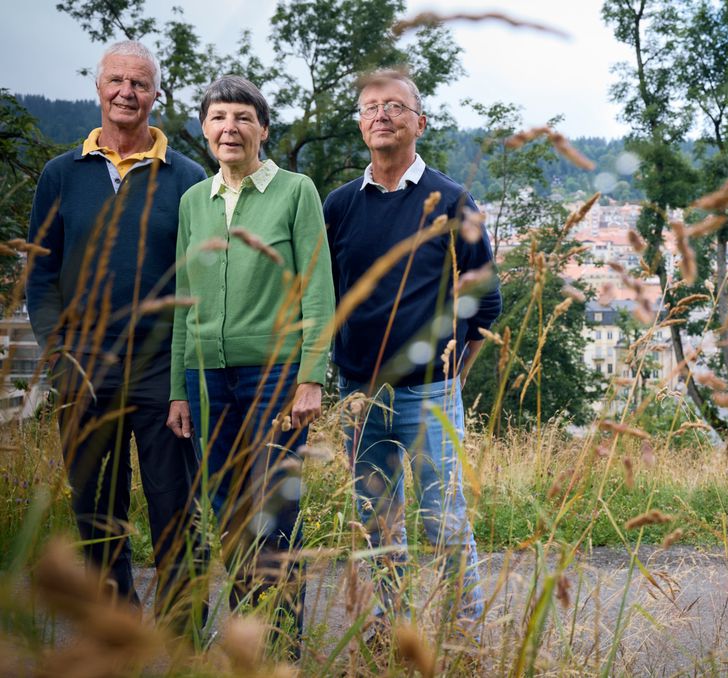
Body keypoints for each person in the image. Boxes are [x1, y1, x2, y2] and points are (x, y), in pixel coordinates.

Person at [26, 40, 207, 631]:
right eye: (117, 82)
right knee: (95, 511)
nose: (127, 93)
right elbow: (41, 273)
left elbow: (201, 276)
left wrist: (186, 371)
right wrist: (59, 357)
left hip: (163, 371)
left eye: (140, 83)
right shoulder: (61, 174)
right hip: (83, 369)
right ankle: (114, 630)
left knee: (174, 507)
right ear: (98, 88)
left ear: (157, 94)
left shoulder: (188, 177)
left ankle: (183, 638)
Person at [322, 68, 501, 634]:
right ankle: (392, 627)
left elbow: (485, 302)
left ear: (419, 123)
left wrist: (454, 377)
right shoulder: (340, 205)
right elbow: (322, 295)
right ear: (359, 124)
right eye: (370, 107)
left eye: (395, 106)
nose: (381, 115)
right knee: (377, 523)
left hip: (430, 394)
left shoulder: (452, 200)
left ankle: (462, 634)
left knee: (443, 521)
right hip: (360, 396)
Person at [166, 75, 334, 655]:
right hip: (205, 380)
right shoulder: (193, 201)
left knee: (275, 506)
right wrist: (177, 391)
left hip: (275, 377)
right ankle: (247, 639)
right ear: (205, 130)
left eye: (242, 117)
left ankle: (282, 648)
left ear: (263, 128)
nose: (229, 128)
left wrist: (311, 375)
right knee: (227, 510)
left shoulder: (295, 191)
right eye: (218, 118)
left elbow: (317, 290)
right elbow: (182, 304)